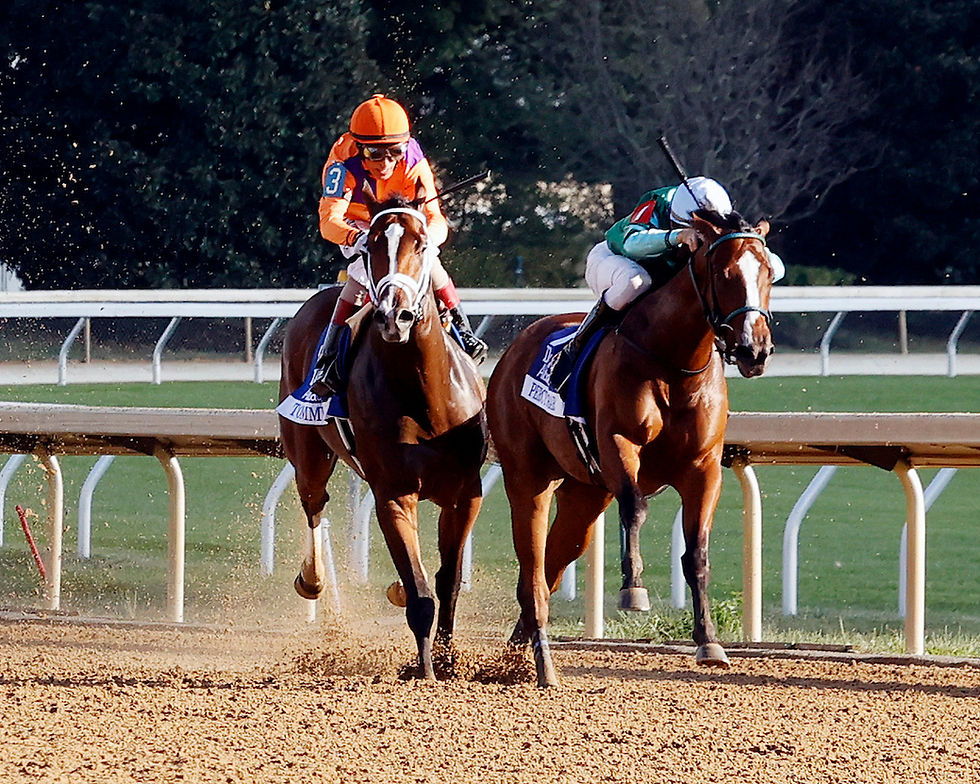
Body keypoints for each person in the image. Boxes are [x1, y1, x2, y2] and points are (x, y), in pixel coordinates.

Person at [309, 94, 488, 398]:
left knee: (431, 261)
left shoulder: (414, 160)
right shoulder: (341, 162)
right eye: (374, 154)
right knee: (360, 275)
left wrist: (426, 239)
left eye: (394, 152)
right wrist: (359, 238)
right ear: (358, 146)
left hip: (404, 223)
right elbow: (329, 223)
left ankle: (463, 330)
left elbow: (436, 219)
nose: (387, 162)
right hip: (360, 225)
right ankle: (328, 358)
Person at [561, 176, 784, 368]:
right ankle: (580, 342)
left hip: (663, 273)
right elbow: (631, 244)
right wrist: (676, 236)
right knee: (636, 282)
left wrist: (757, 249)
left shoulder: (720, 216)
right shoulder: (654, 203)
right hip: (614, 259)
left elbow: (776, 269)